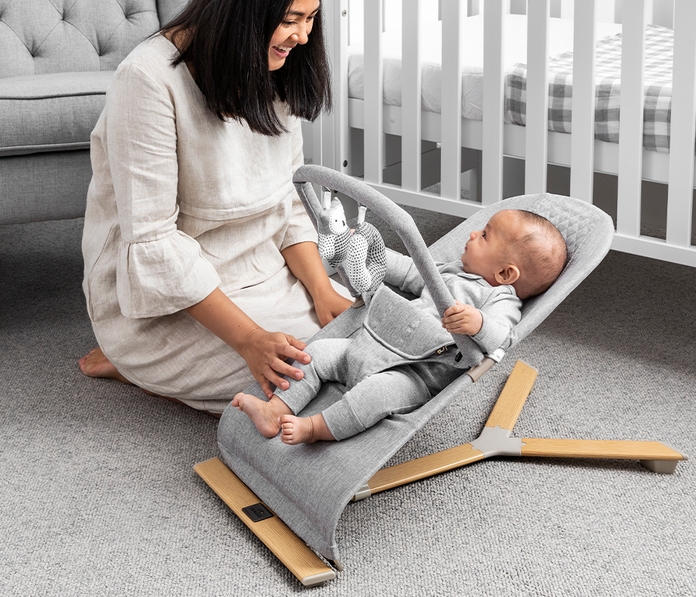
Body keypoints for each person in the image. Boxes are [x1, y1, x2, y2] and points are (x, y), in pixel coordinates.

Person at [78, 0, 353, 415]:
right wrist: (249, 340)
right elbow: (154, 244)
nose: (303, 37)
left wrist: (321, 290)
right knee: (326, 381)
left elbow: (289, 205)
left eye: (311, 18)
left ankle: (166, 375)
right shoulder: (147, 79)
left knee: (366, 342)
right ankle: (134, 362)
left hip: (261, 274)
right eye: (290, 20)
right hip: (164, 303)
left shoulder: (273, 64)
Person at [232, 209, 568, 443]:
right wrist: (361, 247)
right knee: (317, 354)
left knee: (373, 396)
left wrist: (477, 322)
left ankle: (316, 428)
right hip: (371, 343)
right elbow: (408, 271)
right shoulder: (450, 270)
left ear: (507, 274)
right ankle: (275, 409)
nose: (473, 232)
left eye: (484, 235)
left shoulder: (500, 301)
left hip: (414, 374)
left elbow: (501, 339)